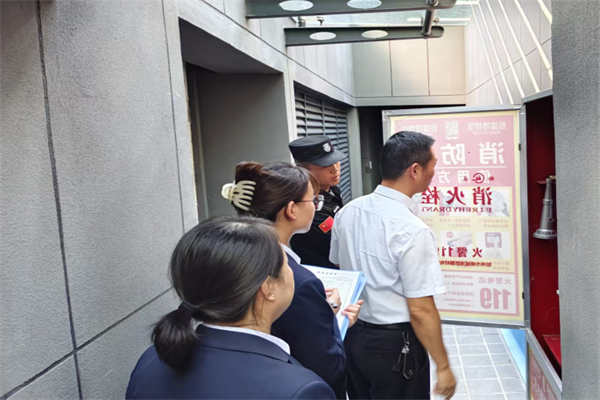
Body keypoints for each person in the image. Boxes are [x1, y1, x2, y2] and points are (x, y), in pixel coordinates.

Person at [126, 217, 335, 400]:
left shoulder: (152, 360)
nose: (292, 271)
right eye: (286, 264)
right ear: (268, 288)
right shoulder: (300, 389)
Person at [330, 131, 457, 400]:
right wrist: (443, 366)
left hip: (353, 336)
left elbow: (340, 265)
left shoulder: (348, 211)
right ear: (415, 170)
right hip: (395, 347)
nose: (434, 172)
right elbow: (421, 310)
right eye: (433, 165)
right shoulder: (413, 230)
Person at [223, 161, 363, 399]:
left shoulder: (229, 260)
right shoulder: (297, 281)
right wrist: (331, 320)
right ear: (291, 210)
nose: (317, 206)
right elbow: (328, 369)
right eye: (314, 200)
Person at [289, 136, 345, 269]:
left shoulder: (331, 189)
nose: (335, 169)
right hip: (323, 271)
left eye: (336, 161)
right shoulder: (310, 205)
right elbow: (340, 244)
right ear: (305, 171)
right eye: (326, 165)